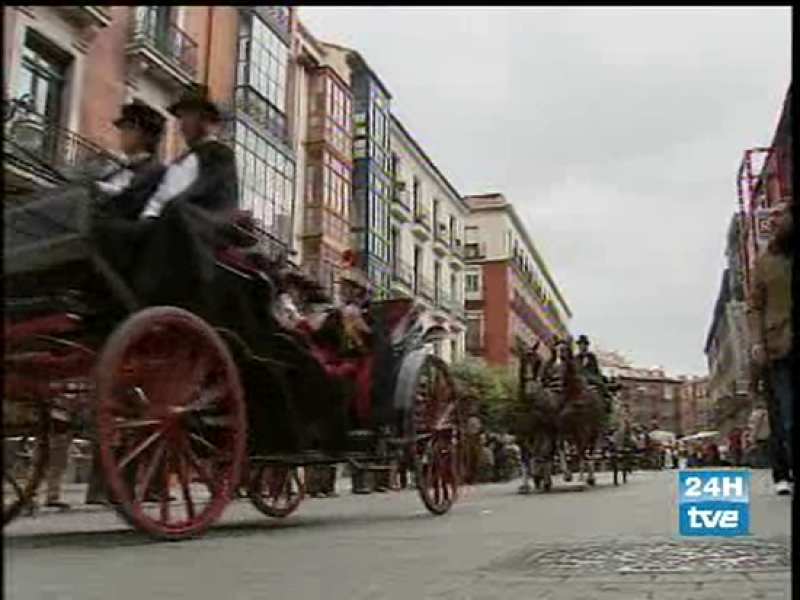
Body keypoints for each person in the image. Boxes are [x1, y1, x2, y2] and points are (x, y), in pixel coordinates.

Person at [747, 200, 794, 496]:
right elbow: (754, 306)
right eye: (771, 214)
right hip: (779, 345)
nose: (772, 220)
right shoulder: (764, 262)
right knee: (785, 414)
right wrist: (756, 341)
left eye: (779, 214)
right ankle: (782, 473)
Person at [95, 101, 168, 220]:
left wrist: (100, 188)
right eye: (123, 128)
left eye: (130, 128)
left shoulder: (154, 170)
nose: (123, 133)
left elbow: (129, 202)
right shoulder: (117, 166)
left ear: (147, 136)